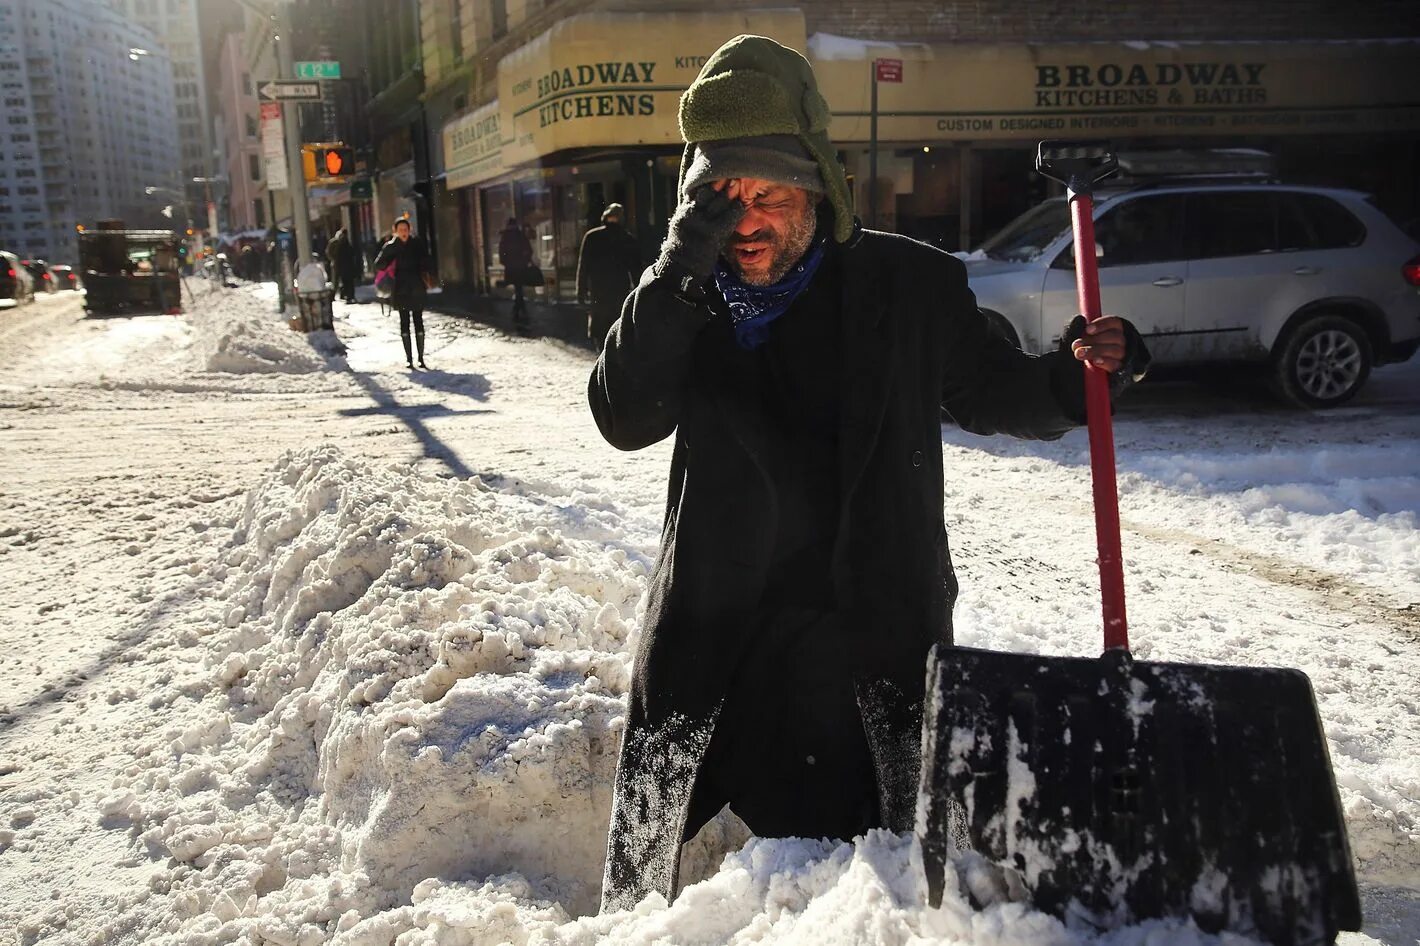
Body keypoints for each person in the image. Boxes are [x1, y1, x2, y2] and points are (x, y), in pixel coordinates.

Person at [587, 35, 1150, 913]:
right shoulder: (683, 297)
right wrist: (676, 264)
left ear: (817, 184)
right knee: (661, 870)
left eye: (769, 195)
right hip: (720, 636)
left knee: (873, 879)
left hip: (867, 633)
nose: (746, 225)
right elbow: (624, 415)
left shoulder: (907, 286)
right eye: (718, 203)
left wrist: (1079, 377)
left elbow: (995, 390)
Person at [575, 203, 641, 351]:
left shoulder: (592, 237)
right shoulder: (627, 239)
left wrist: (581, 291)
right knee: (617, 332)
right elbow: (636, 271)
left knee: (600, 332)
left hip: (599, 293)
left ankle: (603, 362)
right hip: (618, 292)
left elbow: (583, 267)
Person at [373, 218, 434, 369]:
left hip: (417, 286)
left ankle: (420, 358)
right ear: (396, 231)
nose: (403, 233)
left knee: (418, 321)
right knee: (404, 322)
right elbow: (378, 264)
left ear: (409, 229)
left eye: (405, 230)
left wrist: (425, 268)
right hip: (400, 288)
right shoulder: (391, 246)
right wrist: (390, 253)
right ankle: (409, 359)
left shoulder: (417, 244)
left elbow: (427, 261)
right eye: (400, 230)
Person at [497, 217, 534, 329]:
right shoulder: (520, 235)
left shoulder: (505, 237)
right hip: (520, 266)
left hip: (511, 267)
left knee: (518, 288)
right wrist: (525, 260)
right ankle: (519, 309)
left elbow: (501, 252)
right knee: (519, 288)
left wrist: (505, 262)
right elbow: (529, 250)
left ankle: (518, 309)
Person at [325, 227, 360, 303]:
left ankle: (343, 295)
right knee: (338, 281)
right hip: (338, 264)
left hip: (341, 264)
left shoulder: (343, 242)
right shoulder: (335, 242)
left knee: (342, 281)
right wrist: (333, 259)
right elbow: (329, 252)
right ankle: (336, 295)